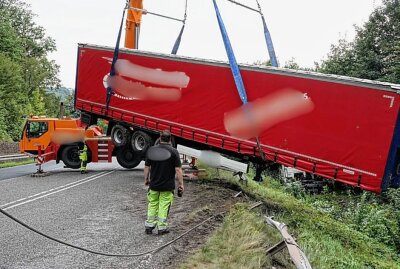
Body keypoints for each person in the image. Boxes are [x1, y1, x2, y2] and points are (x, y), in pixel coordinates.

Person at [144, 130, 184, 235]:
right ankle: (162, 228)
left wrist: (146, 179)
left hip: (154, 185)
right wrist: (181, 184)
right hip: (167, 186)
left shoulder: (152, 150)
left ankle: (149, 226)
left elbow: (147, 166)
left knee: (152, 203)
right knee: (163, 205)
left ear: (160, 138)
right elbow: (178, 170)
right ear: (170, 139)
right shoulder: (174, 152)